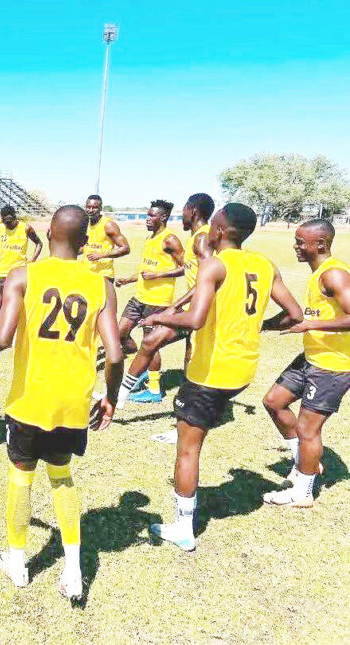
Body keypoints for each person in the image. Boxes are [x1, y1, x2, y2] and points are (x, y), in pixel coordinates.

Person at [0, 205, 124, 600]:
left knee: (20, 478)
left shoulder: (23, 275)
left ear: (48, 233)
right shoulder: (102, 286)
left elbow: (1, 338)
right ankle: (73, 570)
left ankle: (18, 561)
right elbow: (114, 354)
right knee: (62, 477)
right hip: (72, 403)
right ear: (85, 241)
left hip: (30, 399)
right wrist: (111, 398)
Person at [143, 204, 302, 551]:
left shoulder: (215, 265)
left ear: (220, 231)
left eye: (213, 225)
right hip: (243, 371)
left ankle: (183, 528)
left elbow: (195, 320)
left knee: (188, 451)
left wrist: (159, 318)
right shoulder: (264, 264)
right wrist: (260, 326)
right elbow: (294, 314)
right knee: (195, 436)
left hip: (210, 373)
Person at [262, 219, 350, 507]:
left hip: (332, 365)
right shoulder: (318, 274)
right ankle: (305, 460)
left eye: (301, 242)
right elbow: (301, 317)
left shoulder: (334, 274)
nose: (296, 246)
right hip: (311, 357)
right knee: (274, 401)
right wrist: (263, 326)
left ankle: (303, 491)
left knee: (307, 429)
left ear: (320, 244)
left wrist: (312, 325)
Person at [117, 193, 215, 423]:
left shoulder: (200, 238)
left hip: (190, 308)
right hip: (172, 303)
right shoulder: (191, 237)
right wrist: (130, 280)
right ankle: (120, 396)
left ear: (193, 210)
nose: (182, 214)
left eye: (185, 209)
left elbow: (206, 279)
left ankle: (181, 408)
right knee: (146, 340)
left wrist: (175, 305)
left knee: (178, 353)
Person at [114, 200, 184, 402]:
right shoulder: (150, 238)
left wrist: (158, 275)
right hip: (139, 298)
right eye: (147, 214)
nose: (147, 219)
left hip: (157, 301)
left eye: (152, 215)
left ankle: (154, 390)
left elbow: (186, 267)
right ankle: (141, 367)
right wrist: (129, 279)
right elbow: (147, 269)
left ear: (163, 217)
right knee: (120, 333)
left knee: (150, 344)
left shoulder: (170, 239)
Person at [0, 205, 43, 313]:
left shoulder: (26, 228)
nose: (8, 224)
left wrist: (32, 260)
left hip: (19, 273)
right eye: (5, 222)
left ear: (15, 217)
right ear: (1, 219)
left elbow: (39, 243)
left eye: (10, 221)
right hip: (2, 273)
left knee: (21, 305)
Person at [80, 194, 130, 281]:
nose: (90, 210)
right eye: (88, 207)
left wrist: (101, 255)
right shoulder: (85, 223)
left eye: (94, 207)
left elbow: (125, 248)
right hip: (87, 273)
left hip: (104, 275)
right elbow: (84, 248)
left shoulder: (108, 225)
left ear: (100, 208)